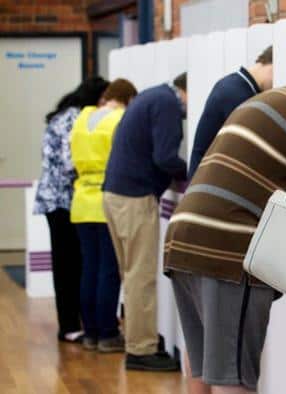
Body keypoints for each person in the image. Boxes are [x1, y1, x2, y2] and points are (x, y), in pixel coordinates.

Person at [164, 82, 286, 394]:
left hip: (183, 238)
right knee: (234, 378)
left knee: (202, 367)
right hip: (228, 250)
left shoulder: (271, 101)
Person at [102, 73, 188, 372]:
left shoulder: (152, 96)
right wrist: (193, 172)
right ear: (185, 91)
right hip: (134, 197)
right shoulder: (168, 104)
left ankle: (139, 341)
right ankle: (141, 349)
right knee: (141, 276)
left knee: (132, 274)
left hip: (116, 194)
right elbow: (165, 157)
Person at [33, 76, 109, 344]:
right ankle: (68, 325)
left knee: (68, 263)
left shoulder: (64, 115)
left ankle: (70, 322)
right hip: (63, 200)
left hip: (55, 199)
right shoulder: (75, 118)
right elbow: (69, 161)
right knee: (68, 264)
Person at [69, 79, 137, 352]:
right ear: (128, 99)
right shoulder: (119, 120)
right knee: (109, 271)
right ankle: (108, 332)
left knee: (89, 269)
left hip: (81, 201)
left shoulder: (82, 118)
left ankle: (90, 332)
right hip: (108, 200)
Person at [188, 46, 274, 178]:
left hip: (204, 179)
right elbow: (248, 148)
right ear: (271, 66)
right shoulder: (237, 94)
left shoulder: (234, 84)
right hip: (208, 181)